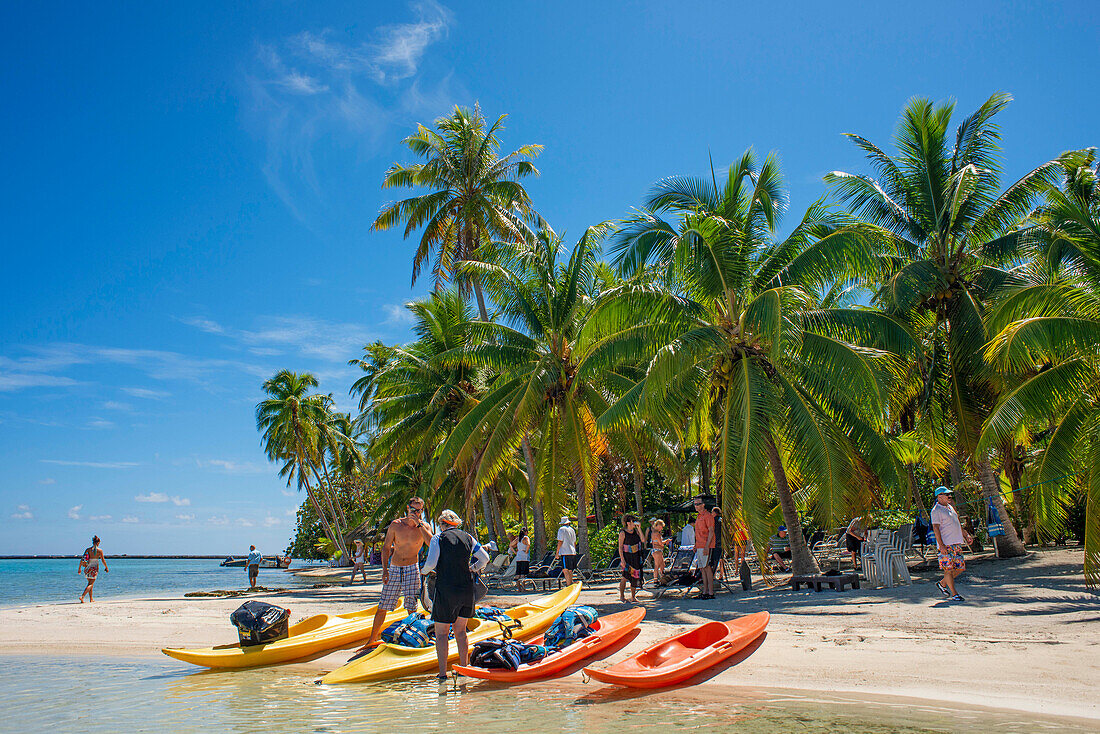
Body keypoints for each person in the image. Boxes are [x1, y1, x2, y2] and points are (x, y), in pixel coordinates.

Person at [421, 509, 490, 680]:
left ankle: (443, 673)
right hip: (466, 590)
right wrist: (473, 568)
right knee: (460, 631)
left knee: (442, 633)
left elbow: (431, 563)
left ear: (442, 524)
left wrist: (422, 571)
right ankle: (464, 669)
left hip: (446, 589)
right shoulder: (468, 537)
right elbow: (485, 558)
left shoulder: (439, 538)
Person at [359, 496, 434, 650]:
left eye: (419, 510)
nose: (416, 513)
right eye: (413, 509)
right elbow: (386, 547)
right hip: (394, 567)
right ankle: (372, 639)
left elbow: (431, 543)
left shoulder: (424, 526)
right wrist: (384, 569)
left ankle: (411, 638)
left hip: (412, 568)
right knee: (384, 604)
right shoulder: (396, 524)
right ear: (408, 508)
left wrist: (419, 524)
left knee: (411, 605)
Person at [931, 486, 973, 602]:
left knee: (960, 568)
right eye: (947, 494)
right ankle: (955, 594)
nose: (950, 496)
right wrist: (941, 545)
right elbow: (936, 528)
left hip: (956, 543)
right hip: (946, 545)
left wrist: (966, 535)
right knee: (948, 570)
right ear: (939, 497)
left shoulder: (950, 508)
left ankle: (942, 584)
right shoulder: (936, 511)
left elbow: (957, 524)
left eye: (950, 494)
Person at [693, 497, 716, 599]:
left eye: (698, 504)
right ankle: (705, 591)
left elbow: (711, 531)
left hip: (706, 545)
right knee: (702, 568)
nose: (696, 506)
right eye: (695, 504)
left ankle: (710, 592)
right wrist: (696, 545)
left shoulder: (708, 516)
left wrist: (707, 546)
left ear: (703, 505)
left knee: (707, 568)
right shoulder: (698, 517)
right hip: (699, 545)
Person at [618, 515, 645, 602]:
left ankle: (633, 597)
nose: (634, 523)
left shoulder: (636, 532)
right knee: (625, 576)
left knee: (635, 576)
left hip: (636, 556)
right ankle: (622, 596)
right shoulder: (623, 533)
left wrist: (639, 529)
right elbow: (620, 547)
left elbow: (643, 540)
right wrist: (622, 559)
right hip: (627, 557)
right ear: (628, 523)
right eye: (633, 521)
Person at [78, 535, 108, 603]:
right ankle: (82, 596)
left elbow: (82, 559)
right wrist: (106, 567)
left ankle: (91, 599)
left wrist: (79, 568)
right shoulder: (99, 550)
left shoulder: (88, 550)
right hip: (94, 568)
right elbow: (103, 560)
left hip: (87, 567)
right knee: (90, 584)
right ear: (98, 542)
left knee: (90, 583)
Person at [555, 516, 578, 586]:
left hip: (565, 552)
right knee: (570, 570)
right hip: (572, 551)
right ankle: (570, 583)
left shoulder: (561, 529)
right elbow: (574, 542)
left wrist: (557, 552)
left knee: (565, 569)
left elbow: (560, 541)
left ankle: (568, 585)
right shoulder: (572, 530)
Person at [649, 519, 669, 585]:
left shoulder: (653, 532)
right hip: (657, 550)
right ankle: (656, 580)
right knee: (657, 565)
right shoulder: (657, 533)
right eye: (661, 527)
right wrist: (666, 542)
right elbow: (660, 543)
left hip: (657, 550)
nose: (661, 528)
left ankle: (662, 578)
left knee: (662, 565)